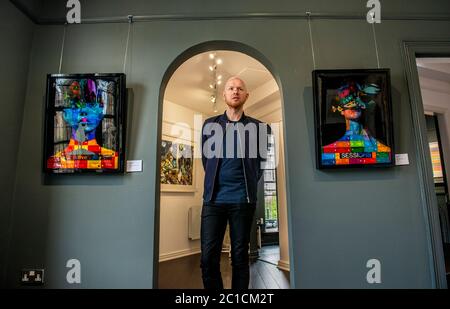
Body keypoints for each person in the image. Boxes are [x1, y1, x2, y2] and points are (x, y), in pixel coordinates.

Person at [200, 76, 270, 289]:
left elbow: (259, 165)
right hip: (213, 200)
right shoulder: (209, 125)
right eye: (230, 88)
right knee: (207, 259)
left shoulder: (259, 128)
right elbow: (207, 162)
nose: (235, 91)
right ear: (224, 94)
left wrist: (245, 185)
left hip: (242, 200)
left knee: (240, 257)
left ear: (246, 95)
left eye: (240, 88)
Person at [47, 79, 118, 170]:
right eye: (75, 105)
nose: (83, 111)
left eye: (92, 104)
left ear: (101, 112)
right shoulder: (54, 162)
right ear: (66, 114)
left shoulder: (114, 160)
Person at [321, 81, 391, 166]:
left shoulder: (383, 150)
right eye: (348, 100)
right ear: (341, 110)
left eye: (357, 99)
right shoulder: (327, 153)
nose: (354, 105)